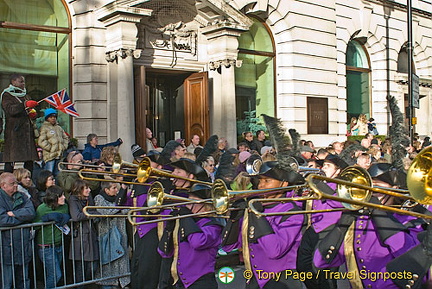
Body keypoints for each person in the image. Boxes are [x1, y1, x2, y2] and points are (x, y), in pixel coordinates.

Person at [222, 161, 306, 289]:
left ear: (283, 184)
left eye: (267, 181)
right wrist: (234, 219)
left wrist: (257, 215)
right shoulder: (259, 207)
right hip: (255, 279)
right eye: (260, 181)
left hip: (281, 281)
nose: (261, 185)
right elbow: (229, 246)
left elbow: (274, 251)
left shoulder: (292, 211)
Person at [158, 159, 223, 289]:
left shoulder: (213, 225)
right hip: (181, 280)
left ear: (204, 204)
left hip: (201, 281)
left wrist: (185, 217)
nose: (187, 203)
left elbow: (197, 242)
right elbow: (163, 252)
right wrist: (169, 228)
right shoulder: (189, 221)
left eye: (193, 200)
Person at [0, 172, 36, 289]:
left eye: (16, 182)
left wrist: (14, 214)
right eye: (12, 184)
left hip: (23, 244)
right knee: (7, 281)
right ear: (3, 185)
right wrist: (22, 220)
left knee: (24, 280)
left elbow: (31, 213)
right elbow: (2, 220)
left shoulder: (22, 196)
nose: (16, 185)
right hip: (6, 246)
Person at [94, 181, 130, 288]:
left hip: (121, 233)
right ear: (106, 190)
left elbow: (127, 209)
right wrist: (119, 207)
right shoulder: (99, 198)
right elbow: (106, 211)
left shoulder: (119, 198)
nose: (117, 191)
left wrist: (118, 208)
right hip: (107, 234)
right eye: (114, 188)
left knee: (121, 257)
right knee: (109, 260)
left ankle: (122, 282)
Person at [1, 74, 39, 173]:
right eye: (21, 81)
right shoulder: (7, 95)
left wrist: (33, 113)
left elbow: (29, 109)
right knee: (10, 159)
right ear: (13, 82)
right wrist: (24, 105)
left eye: (24, 82)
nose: (23, 84)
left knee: (29, 160)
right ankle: (7, 179)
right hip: (14, 132)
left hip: (27, 132)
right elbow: (10, 110)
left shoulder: (25, 95)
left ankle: (28, 180)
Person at [34, 185, 70, 289]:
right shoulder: (42, 208)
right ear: (53, 198)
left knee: (54, 274)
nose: (64, 197)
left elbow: (66, 219)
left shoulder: (64, 206)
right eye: (60, 196)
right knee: (55, 275)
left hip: (59, 244)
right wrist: (44, 220)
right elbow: (34, 226)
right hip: (46, 247)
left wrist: (65, 217)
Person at [68, 179, 99, 287]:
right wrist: (90, 214)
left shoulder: (88, 198)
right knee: (80, 268)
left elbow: (94, 210)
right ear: (79, 189)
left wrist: (88, 213)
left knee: (92, 266)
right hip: (80, 237)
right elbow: (76, 216)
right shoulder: (73, 199)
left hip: (91, 233)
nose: (89, 190)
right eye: (86, 188)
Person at [38, 108, 69, 177]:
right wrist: (51, 148)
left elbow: (65, 138)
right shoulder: (44, 128)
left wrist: (63, 147)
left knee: (58, 174)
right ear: (47, 118)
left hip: (59, 156)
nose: (53, 118)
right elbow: (41, 141)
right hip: (50, 156)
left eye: (54, 117)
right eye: (51, 117)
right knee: (49, 174)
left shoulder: (59, 128)